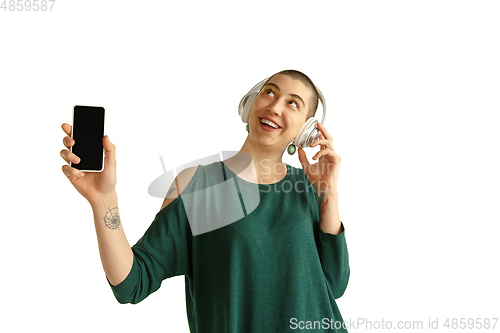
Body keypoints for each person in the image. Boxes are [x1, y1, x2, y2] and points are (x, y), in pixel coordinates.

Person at [60, 69, 350, 332]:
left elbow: (335, 285)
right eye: (270, 92)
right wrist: (103, 199)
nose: (274, 107)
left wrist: (330, 192)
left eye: (292, 103)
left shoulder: (308, 187)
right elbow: (131, 284)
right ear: (251, 103)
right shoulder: (199, 186)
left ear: (306, 131)